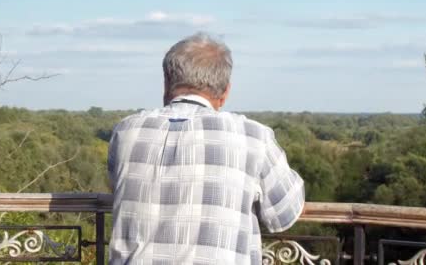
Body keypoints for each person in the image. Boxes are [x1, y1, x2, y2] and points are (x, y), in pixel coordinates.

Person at [107, 33, 305, 264]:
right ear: (225, 92)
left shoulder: (126, 131)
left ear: (166, 83)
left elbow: (115, 186)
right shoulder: (253, 137)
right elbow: (282, 214)